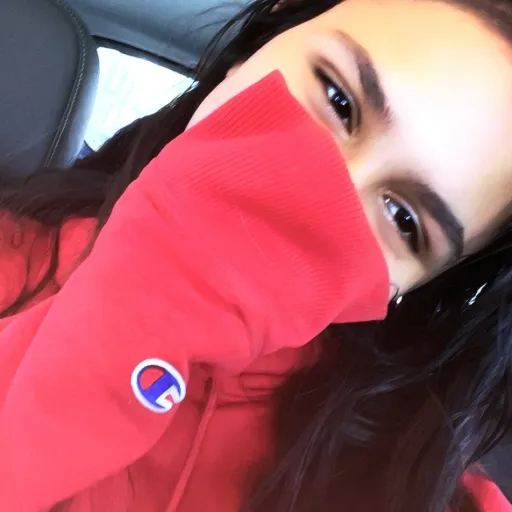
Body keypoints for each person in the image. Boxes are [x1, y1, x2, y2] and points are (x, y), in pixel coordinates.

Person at [0, 0, 511, 511]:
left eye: (404, 219)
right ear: (257, 46)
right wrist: (153, 296)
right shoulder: (12, 252)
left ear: (413, 286)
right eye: (339, 101)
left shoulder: (427, 487)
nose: (320, 199)